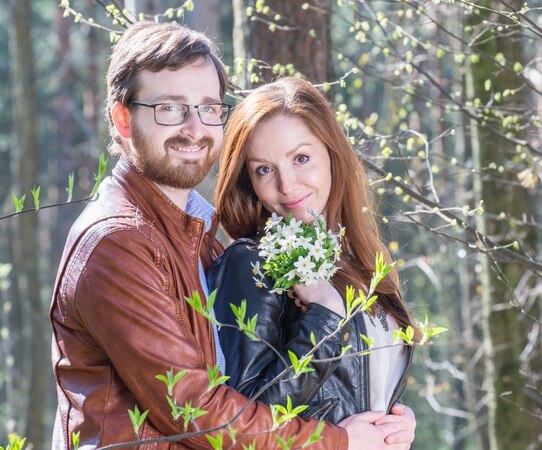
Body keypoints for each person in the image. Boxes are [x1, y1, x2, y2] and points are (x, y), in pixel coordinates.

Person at [50, 21, 413, 450]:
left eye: (207, 107)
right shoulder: (117, 244)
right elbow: (200, 410)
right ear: (123, 119)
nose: (193, 127)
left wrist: (389, 425)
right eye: (169, 108)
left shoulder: (197, 238)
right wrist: (339, 441)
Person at [208, 77, 419, 436]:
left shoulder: (355, 263)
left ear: (332, 153)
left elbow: (354, 392)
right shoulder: (254, 265)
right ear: (249, 182)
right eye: (263, 169)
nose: (287, 185)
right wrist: (324, 316)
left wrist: (397, 423)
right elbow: (242, 425)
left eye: (301, 158)